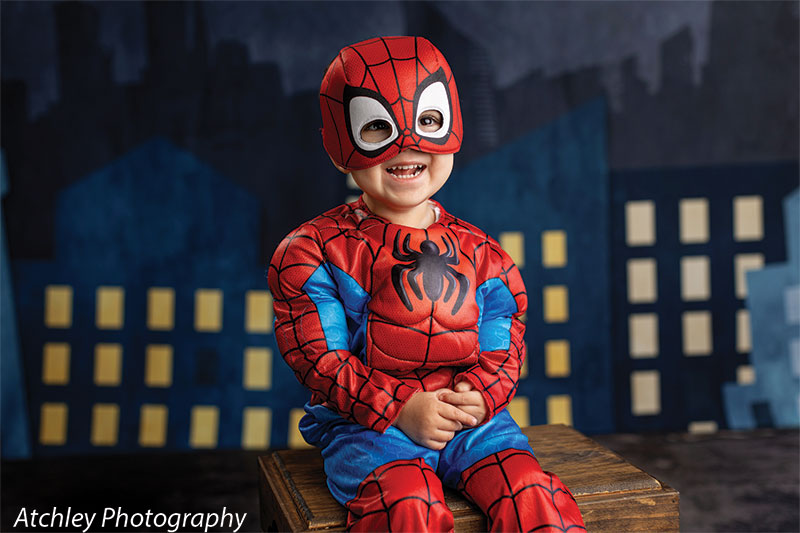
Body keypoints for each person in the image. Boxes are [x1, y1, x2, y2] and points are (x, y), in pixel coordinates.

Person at [268, 36, 585, 532]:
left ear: (453, 128)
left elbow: (504, 337)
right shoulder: (312, 253)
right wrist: (398, 408)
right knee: (406, 504)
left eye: (428, 122)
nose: (407, 144)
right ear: (338, 144)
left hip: (471, 421)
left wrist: (483, 394)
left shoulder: (483, 254)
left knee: (528, 490)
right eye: (377, 126)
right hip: (367, 429)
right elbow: (320, 358)